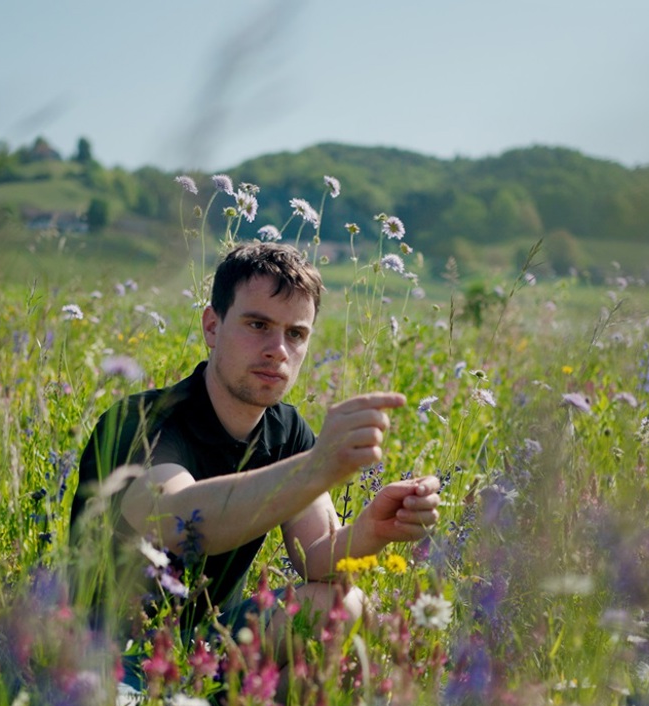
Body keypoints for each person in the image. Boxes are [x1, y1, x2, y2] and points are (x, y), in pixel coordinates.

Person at [69, 241, 440, 683]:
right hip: (108, 653)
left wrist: (372, 530)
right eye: (258, 324)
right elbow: (183, 522)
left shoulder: (287, 431)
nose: (278, 349)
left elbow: (316, 556)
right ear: (212, 326)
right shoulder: (142, 421)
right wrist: (317, 467)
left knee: (341, 603)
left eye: (295, 334)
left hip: (212, 642)